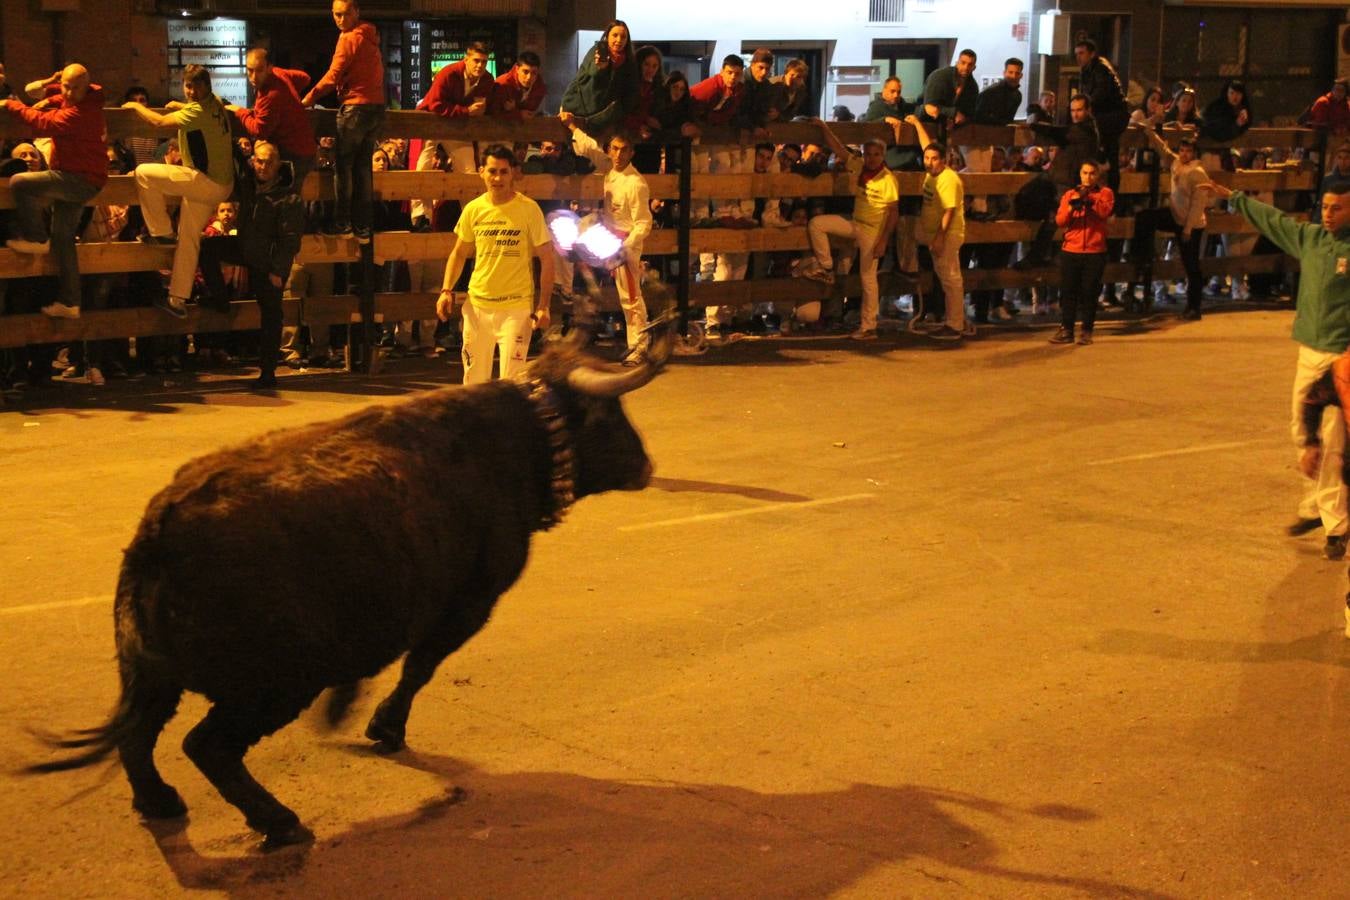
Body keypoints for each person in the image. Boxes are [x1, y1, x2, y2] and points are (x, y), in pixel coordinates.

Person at [1201, 182, 1350, 559]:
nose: (1328, 214)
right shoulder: (1312, 239)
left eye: (1337, 208)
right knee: (1303, 432)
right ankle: (1314, 505)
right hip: (1309, 349)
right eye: (1326, 207)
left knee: (1332, 443)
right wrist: (1233, 196)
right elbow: (1273, 221)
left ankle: (1336, 527)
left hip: (1341, 358)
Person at [434, 144, 554, 384]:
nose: (497, 178)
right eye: (492, 171)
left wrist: (544, 305)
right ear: (481, 172)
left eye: (503, 171)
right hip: (478, 307)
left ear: (513, 173)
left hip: (516, 309)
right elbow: (459, 253)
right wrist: (446, 290)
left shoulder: (529, 209)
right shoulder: (473, 209)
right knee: (474, 383)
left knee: (512, 385)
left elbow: (548, 259)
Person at [124, 64, 235, 320]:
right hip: (221, 185)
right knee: (189, 239)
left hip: (206, 181)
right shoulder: (214, 102)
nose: (192, 91)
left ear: (206, 86)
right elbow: (195, 113)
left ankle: (161, 232)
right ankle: (177, 299)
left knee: (143, 173)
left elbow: (158, 122)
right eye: (188, 86)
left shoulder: (197, 110)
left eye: (196, 86)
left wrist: (135, 106)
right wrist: (181, 106)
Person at [0, 64, 107, 319]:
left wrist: (10, 105)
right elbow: (43, 95)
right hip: (83, 178)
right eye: (66, 86)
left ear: (85, 85)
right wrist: (51, 88)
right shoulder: (83, 98)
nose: (68, 93)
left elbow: (44, 123)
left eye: (74, 88)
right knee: (63, 239)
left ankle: (36, 238)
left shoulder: (82, 112)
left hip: (76, 178)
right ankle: (70, 302)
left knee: (19, 183)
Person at [197, 141, 304, 391]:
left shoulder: (288, 197)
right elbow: (234, 157)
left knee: (271, 315)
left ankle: (268, 372)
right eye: (259, 160)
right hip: (245, 248)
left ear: (278, 165)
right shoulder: (248, 185)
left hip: (267, 262)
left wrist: (278, 271)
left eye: (268, 162)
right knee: (208, 247)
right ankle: (221, 299)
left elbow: (290, 240)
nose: (263, 166)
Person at [795, 120, 899, 341]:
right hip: (856, 223)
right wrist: (824, 128)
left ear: (883, 156)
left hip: (873, 231)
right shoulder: (861, 167)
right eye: (868, 154)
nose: (871, 158)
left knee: (868, 279)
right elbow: (839, 150)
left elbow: (893, 213)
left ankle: (869, 326)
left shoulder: (888, 179)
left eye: (875, 155)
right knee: (817, 224)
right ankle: (826, 267)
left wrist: (883, 241)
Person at [559, 116, 653, 362]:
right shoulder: (610, 172)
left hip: (624, 244)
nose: (619, 155)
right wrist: (572, 127)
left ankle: (640, 346)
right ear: (609, 150)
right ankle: (582, 333)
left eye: (624, 150)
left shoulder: (636, 184)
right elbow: (590, 146)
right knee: (584, 275)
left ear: (631, 152)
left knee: (630, 296)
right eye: (615, 149)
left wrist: (626, 247)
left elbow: (644, 222)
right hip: (608, 238)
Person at [301, 0, 386, 241]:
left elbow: (332, 76)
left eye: (345, 13)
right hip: (376, 109)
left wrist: (309, 98)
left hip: (355, 109)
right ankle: (363, 227)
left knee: (344, 168)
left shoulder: (349, 38)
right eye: (337, 14)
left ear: (356, 12)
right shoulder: (370, 37)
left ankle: (342, 223)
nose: (340, 19)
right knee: (363, 169)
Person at [1130, 130, 1209, 320]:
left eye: (1188, 151)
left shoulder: (1198, 173)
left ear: (1195, 153)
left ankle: (1194, 307)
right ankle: (1140, 256)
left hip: (1191, 223)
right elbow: (1164, 151)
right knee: (1144, 218)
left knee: (1191, 265)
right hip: (1175, 215)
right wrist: (1149, 132)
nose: (1184, 154)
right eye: (1182, 150)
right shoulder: (1177, 164)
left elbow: (1199, 204)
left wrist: (1188, 229)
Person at [905, 115, 966, 342]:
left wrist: (939, 238)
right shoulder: (933, 173)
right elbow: (926, 145)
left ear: (944, 160)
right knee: (946, 277)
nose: (929, 162)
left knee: (951, 279)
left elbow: (949, 210)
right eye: (927, 158)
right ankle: (953, 321)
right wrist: (917, 124)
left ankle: (955, 324)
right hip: (933, 232)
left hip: (947, 234)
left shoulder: (947, 180)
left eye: (934, 159)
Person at [228, 49, 317, 191]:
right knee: (291, 201)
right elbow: (304, 78)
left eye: (259, 70)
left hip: (294, 155)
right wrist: (289, 102)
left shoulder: (270, 96)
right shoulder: (278, 74)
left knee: (287, 201)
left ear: (269, 68)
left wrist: (241, 112)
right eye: (250, 70)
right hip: (306, 151)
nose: (254, 77)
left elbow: (259, 131)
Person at [1048, 160, 1114, 345]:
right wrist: (1072, 206)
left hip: (1095, 251)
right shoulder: (1070, 194)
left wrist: (1089, 200)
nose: (1088, 177)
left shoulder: (1105, 193)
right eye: (1085, 173)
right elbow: (1060, 221)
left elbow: (1104, 212)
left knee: (1089, 292)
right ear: (1080, 174)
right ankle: (1066, 329)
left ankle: (1086, 330)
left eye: (1092, 173)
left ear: (1098, 176)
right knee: (1068, 292)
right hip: (1071, 250)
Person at [560, 19, 637, 134]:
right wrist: (601, 68)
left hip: (601, 119)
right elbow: (592, 74)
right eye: (615, 35)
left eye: (623, 37)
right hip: (577, 108)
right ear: (607, 36)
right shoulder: (597, 51)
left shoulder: (628, 62)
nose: (619, 40)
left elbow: (628, 90)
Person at [1074, 40, 1128, 192]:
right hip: (1107, 116)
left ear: (1091, 54)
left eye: (1081, 53)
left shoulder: (1100, 69)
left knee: (1107, 151)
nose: (1078, 57)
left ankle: (1106, 188)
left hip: (1112, 117)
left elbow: (1100, 94)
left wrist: (1086, 106)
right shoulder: (1087, 70)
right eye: (1076, 54)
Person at [918, 49, 978, 133]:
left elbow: (969, 114)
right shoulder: (939, 76)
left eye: (970, 64)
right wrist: (953, 113)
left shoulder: (973, 87)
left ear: (974, 67)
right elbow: (929, 108)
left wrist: (957, 120)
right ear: (957, 63)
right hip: (923, 123)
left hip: (953, 129)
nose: (966, 67)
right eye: (963, 63)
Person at [490, 51, 546, 122]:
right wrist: (518, 114)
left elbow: (529, 113)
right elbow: (493, 114)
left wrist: (514, 109)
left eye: (534, 73)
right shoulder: (502, 84)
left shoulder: (539, 88)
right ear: (517, 69)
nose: (529, 77)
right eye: (525, 72)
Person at [974, 58, 1024, 125]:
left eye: (1017, 73)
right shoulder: (990, 92)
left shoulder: (1017, 95)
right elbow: (978, 118)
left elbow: (1008, 120)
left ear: (1021, 75)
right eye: (1010, 72)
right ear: (1004, 73)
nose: (1013, 76)